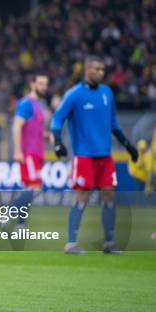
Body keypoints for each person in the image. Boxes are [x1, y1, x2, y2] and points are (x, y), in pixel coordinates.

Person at [50, 56, 138, 255]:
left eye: (103, 69)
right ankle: (71, 243)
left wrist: (128, 145)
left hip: (105, 156)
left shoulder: (107, 93)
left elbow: (114, 123)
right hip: (84, 156)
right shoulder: (74, 94)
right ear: (87, 69)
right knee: (83, 196)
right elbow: (57, 118)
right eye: (97, 69)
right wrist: (57, 142)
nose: (101, 72)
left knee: (109, 195)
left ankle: (109, 242)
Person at [6, 74, 49, 229]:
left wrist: (47, 136)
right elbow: (17, 126)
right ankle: (7, 213)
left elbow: (35, 130)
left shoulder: (38, 106)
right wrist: (17, 151)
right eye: (41, 83)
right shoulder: (26, 103)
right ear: (32, 84)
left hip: (37, 154)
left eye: (46, 84)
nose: (44, 87)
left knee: (29, 190)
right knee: (35, 188)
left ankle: (20, 225)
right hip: (28, 153)